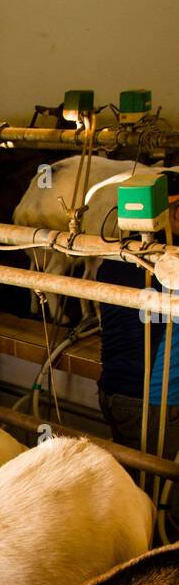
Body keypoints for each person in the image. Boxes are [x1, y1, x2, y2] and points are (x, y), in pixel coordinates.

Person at [96, 171, 179, 458]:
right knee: (153, 487)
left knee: (133, 483)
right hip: (153, 404)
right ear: (175, 212)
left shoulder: (113, 258)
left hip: (112, 392)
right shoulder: (173, 271)